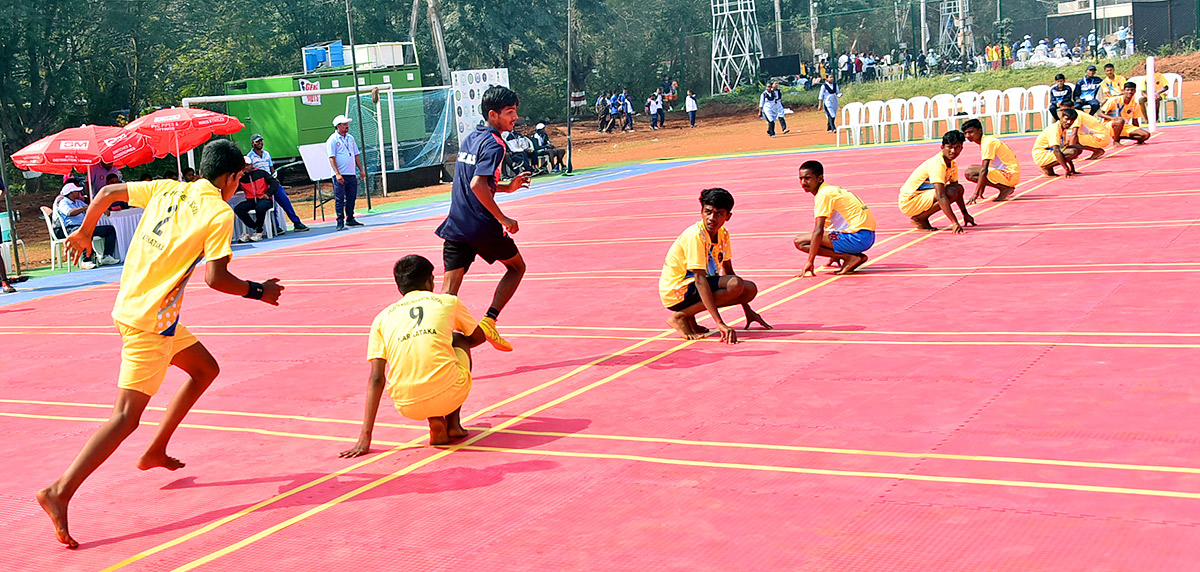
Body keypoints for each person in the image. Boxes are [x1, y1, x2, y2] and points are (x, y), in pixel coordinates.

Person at [37, 139, 284, 549]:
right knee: (124, 417)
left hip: (139, 308)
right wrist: (259, 292)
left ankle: (156, 450)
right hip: (150, 323)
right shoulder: (219, 213)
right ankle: (58, 492)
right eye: (239, 179)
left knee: (205, 369)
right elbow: (216, 279)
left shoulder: (170, 187)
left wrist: (83, 232)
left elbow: (106, 193)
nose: (239, 187)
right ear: (229, 177)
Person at [340, 255, 487, 451]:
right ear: (429, 281)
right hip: (449, 392)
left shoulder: (382, 318)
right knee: (457, 340)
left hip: (407, 403)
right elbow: (478, 337)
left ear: (399, 286)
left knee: (419, 357)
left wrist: (365, 438)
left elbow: (376, 378)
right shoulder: (447, 302)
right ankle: (453, 423)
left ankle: (434, 419)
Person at [435, 85, 530, 354]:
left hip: (457, 224)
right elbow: (478, 184)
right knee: (517, 267)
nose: (515, 118)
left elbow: (472, 182)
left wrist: (506, 187)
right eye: (510, 113)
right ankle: (489, 320)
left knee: (448, 295)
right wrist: (503, 218)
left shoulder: (471, 138)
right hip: (481, 225)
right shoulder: (495, 144)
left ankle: (436, 342)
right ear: (493, 115)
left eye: (515, 112)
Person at [659, 188, 771, 343]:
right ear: (702, 212)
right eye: (708, 212)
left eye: (719, 213)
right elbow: (699, 279)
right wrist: (720, 323)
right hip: (677, 291)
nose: (712, 218)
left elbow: (729, 272)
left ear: (728, 216)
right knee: (734, 284)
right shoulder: (696, 236)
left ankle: (689, 316)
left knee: (749, 289)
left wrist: (747, 309)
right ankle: (680, 316)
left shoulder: (723, 234)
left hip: (695, 287)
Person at [795, 160, 875, 276]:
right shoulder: (830, 190)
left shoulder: (824, 194)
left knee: (800, 241)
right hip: (867, 236)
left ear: (820, 178)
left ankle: (849, 257)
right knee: (814, 238)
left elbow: (819, 231)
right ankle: (856, 257)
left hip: (858, 238)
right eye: (801, 179)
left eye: (807, 178)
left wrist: (810, 262)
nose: (803, 182)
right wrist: (832, 254)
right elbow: (828, 228)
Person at [898, 130, 975, 234]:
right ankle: (919, 219)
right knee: (950, 192)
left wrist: (965, 213)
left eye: (957, 148)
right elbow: (940, 195)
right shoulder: (937, 164)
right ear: (942, 147)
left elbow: (958, 190)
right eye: (949, 147)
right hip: (910, 201)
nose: (953, 151)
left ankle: (922, 217)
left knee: (958, 188)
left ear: (961, 148)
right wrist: (955, 222)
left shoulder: (953, 164)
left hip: (923, 197)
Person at [243, 135, 308, 232]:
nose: (260, 143)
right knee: (270, 204)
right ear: (253, 143)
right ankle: (275, 226)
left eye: (261, 141)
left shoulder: (266, 154)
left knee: (284, 200)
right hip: (261, 184)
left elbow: (271, 167)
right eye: (257, 141)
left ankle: (296, 222)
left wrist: (274, 176)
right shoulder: (250, 157)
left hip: (271, 181)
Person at [55, 182, 120, 267]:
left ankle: (106, 256)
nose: (79, 193)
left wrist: (103, 209)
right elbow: (70, 213)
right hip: (72, 228)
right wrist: (84, 208)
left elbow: (91, 208)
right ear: (71, 193)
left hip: (84, 226)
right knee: (85, 233)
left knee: (109, 230)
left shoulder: (78, 202)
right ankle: (86, 260)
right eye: (76, 191)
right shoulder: (63, 203)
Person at [961, 119, 1020, 204]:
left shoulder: (987, 143)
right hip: (1008, 173)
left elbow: (984, 170)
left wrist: (976, 194)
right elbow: (986, 169)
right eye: (965, 133)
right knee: (972, 168)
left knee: (970, 172)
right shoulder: (986, 141)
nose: (967, 136)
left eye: (970, 132)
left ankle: (1005, 188)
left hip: (1010, 175)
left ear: (980, 130)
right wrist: (982, 189)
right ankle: (1004, 187)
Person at [326, 114, 367, 231]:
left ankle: (350, 218)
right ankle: (340, 221)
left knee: (351, 197)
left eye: (347, 124)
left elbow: (356, 154)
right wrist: (337, 173)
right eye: (344, 124)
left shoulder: (350, 138)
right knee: (339, 198)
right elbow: (332, 157)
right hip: (340, 174)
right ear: (338, 126)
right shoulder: (332, 140)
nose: (347, 126)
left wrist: (361, 169)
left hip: (351, 173)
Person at [234, 163, 279, 243]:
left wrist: (268, 194)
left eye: (247, 165)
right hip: (251, 200)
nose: (245, 168)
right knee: (238, 208)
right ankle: (255, 227)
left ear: (251, 165)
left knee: (260, 207)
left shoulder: (261, 173)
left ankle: (259, 231)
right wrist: (238, 177)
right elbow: (234, 188)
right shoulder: (241, 178)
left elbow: (274, 182)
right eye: (243, 166)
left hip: (264, 199)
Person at [1031, 108, 1083, 177]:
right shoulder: (1055, 129)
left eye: (1072, 120)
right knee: (1072, 151)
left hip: (1049, 152)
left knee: (1078, 148)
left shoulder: (1062, 129)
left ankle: (1049, 167)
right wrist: (1066, 169)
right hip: (1041, 155)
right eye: (1066, 119)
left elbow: (1063, 148)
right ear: (1061, 117)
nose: (1069, 122)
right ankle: (1045, 167)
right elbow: (1056, 150)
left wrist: (1072, 169)